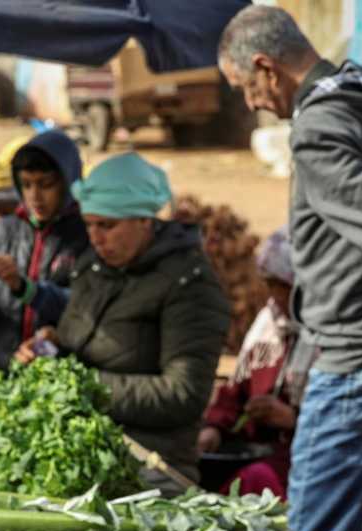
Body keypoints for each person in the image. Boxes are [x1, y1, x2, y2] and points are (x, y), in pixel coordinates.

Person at [219, 7, 362, 531]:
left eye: (244, 90)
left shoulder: (320, 126)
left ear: (265, 69)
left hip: (357, 364)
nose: (253, 105)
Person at [16, 153, 230, 483]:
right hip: (78, 444)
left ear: (144, 220)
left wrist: (85, 386)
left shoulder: (190, 284)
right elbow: (78, 341)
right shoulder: (94, 266)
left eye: (108, 225)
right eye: (89, 225)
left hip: (151, 462)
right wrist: (49, 345)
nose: (96, 237)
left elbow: (183, 393)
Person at [0, 129, 88, 371]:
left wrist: (25, 288)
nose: (35, 196)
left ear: (68, 181)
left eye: (45, 184)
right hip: (6, 368)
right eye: (26, 185)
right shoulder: (2, 233)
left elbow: (86, 307)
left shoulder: (87, 236)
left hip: (61, 375)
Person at [198, 228, 298, 497]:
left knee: (256, 481)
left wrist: (292, 419)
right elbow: (236, 388)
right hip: (257, 450)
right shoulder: (268, 325)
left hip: (302, 457)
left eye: (283, 287)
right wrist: (215, 428)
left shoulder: (329, 335)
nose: (275, 296)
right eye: (271, 285)